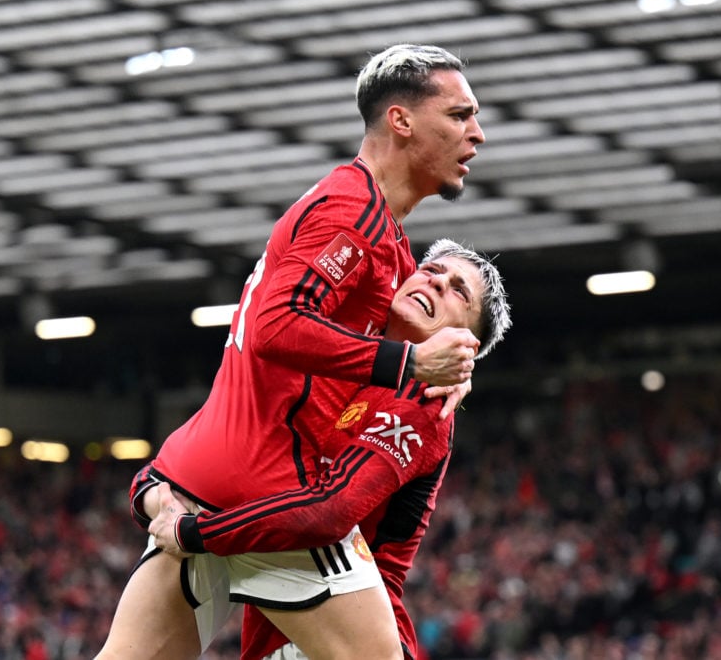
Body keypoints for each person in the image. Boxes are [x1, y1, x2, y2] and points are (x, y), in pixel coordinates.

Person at [97, 43, 487, 660]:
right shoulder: (354, 213)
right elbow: (276, 327)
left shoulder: (382, 242)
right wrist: (412, 365)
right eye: (460, 115)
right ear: (402, 121)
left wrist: (451, 367)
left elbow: (293, 360)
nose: (477, 134)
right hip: (272, 493)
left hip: (197, 480)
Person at [146, 239, 511, 660]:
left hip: (347, 636)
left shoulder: (427, 402)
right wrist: (151, 490)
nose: (437, 283)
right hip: (280, 629)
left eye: (459, 291)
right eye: (431, 271)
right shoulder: (338, 357)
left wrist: (197, 533)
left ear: (466, 344)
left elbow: (328, 512)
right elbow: (218, 443)